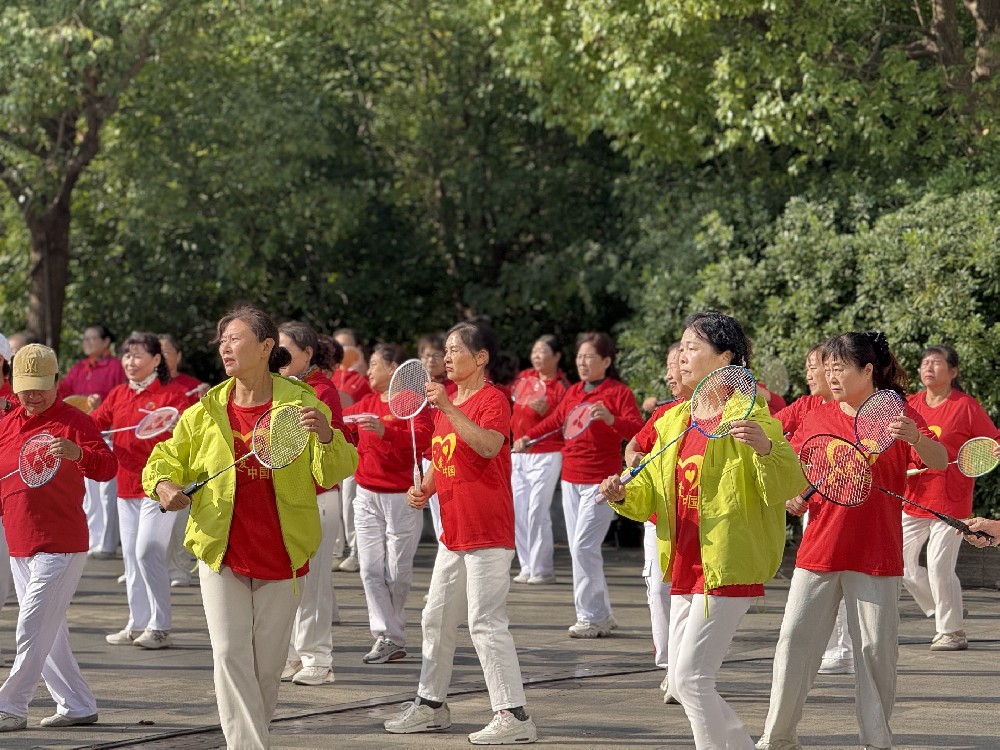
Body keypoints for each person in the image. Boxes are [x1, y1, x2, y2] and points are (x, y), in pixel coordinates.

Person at [143, 306, 358, 750]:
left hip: (283, 552)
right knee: (228, 654)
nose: (225, 347)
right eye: (221, 340)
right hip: (221, 551)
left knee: (266, 668)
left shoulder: (301, 403)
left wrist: (326, 436)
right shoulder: (206, 410)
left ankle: (249, 739)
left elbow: (335, 468)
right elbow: (165, 457)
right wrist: (163, 484)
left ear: (265, 347)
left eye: (235, 338)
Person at [600, 312, 802, 749]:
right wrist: (622, 493)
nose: (682, 357)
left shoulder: (749, 412)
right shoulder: (674, 420)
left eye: (693, 348)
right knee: (684, 680)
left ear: (725, 358)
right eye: (682, 347)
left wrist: (767, 448)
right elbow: (649, 496)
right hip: (685, 566)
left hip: (727, 563)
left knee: (691, 678)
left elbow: (788, 484)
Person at [757, 331, 947, 750]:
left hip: (875, 554)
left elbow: (940, 460)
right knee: (793, 643)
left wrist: (916, 438)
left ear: (868, 370)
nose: (831, 376)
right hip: (819, 550)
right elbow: (796, 469)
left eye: (839, 368)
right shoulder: (817, 416)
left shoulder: (898, 414)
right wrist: (793, 493)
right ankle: (778, 737)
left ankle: (876, 741)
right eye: (827, 368)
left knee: (876, 652)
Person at [384, 321, 537, 745]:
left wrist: (449, 408)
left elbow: (488, 445)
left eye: (455, 350)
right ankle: (432, 705)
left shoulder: (492, 399)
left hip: (487, 531)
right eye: (445, 350)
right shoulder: (446, 404)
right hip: (453, 534)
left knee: (485, 623)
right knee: (435, 617)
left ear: (481, 358)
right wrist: (425, 488)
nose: (446, 357)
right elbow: (442, 456)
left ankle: (514, 715)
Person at [0, 344, 117, 732]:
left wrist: (77, 453)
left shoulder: (75, 421)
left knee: (32, 625)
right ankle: (77, 704)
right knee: (49, 631)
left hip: (61, 541)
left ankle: (11, 705)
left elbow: (107, 468)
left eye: (40, 386)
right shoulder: (7, 425)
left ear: (56, 381)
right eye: (24, 388)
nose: (32, 395)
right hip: (18, 540)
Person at [514, 332, 644, 639]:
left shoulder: (618, 392)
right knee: (581, 549)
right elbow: (556, 422)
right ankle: (601, 614)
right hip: (571, 477)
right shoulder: (573, 391)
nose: (583, 363)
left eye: (590, 357)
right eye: (580, 357)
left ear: (606, 361)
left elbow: (639, 431)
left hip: (602, 482)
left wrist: (612, 419)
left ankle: (590, 617)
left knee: (583, 546)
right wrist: (528, 437)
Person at [89, 333, 190, 650]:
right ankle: (137, 623)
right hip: (126, 486)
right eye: (126, 355)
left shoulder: (174, 395)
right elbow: (92, 425)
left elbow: (188, 438)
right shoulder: (118, 394)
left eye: (137, 355)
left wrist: (176, 429)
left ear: (156, 360)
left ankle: (160, 626)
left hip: (160, 488)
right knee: (132, 558)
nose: (130, 362)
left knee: (148, 552)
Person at [901, 345, 999, 651]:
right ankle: (946, 606)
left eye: (936, 363)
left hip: (951, 500)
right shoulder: (910, 404)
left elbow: (993, 440)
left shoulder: (966, 406)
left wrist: (997, 448)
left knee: (939, 566)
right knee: (899, 563)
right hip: (913, 497)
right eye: (924, 362)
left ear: (953, 371)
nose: (928, 367)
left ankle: (952, 632)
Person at [344, 343, 432, 664]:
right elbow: (341, 426)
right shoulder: (366, 403)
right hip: (366, 495)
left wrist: (385, 431)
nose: (368, 371)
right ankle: (388, 635)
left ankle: (391, 637)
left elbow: (424, 438)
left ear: (393, 368)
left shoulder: (411, 402)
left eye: (374, 364)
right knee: (369, 568)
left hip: (401, 496)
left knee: (397, 571)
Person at [278, 321, 349, 686]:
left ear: (307, 353)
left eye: (285, 350)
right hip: (291, 499)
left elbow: (338, 442)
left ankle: (318, 659)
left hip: (319, 496)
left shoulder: (322, 390)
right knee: (290, 584)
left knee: (314, 585)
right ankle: (292, 656)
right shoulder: (279, 387)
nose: (278, 356)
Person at [777, 342, 855, 675]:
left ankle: (846, 650)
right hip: (817, 507)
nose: (810, 374)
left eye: (815, 366)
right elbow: (775, 439)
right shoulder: (806, 406)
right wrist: (790, 492)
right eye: (807, 367)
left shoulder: (855, 409)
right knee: (818, 579)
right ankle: (827, 648)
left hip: (848, 509)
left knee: (846, 577)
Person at [622, 341, 691, 704]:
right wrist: (636, 461)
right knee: (660, 590)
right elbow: (632, 448)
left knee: (690, 595)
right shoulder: (663, 415)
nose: (670, 374)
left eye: (676, 364)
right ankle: (669, 667)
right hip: (659, 517)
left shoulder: (716, 416)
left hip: (697, 520)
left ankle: (685, 669)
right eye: (668, 366)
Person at [59, 324, 126, 560]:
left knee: (107, 492)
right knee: (89, 492)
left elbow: (121, 398)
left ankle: (107, 543)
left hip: (109, 435)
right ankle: (92, 539)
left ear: (106, 341)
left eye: (92, 338)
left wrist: (102, 405)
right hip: (83, 435)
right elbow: (63, 392)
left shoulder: (116, 366)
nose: (87, 342)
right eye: (85, 338)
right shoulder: (79, 368)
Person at [510, 334, 569, 585]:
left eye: (543, 351)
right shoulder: (525, 378)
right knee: (519, 510)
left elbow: (565, 421)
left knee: (537, 509)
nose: (536, 355)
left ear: (556, 356)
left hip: (547, 452)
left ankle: (543, 569)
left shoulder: (561, 386)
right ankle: (526, 566)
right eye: (534, 351)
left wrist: (548, 411)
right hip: (519, 452)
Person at [158, 333, 206, 588]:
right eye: (156, 353)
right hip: (153, 463)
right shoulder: (146, 388)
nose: (161, 357)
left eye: (166, 352)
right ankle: (150, 568)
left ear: (178, 356)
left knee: (179, 519)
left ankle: (179, 567)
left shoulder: (194, 387)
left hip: (185, 462)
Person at [331, 329, 370, 572]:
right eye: (340, 346)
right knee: (334, 501)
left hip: (356, 447)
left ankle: (356, 552)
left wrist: (363, 369)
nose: (345, 351)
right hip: (332, 444)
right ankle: (335, 551)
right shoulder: (330, 377)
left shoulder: (364, 380)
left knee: (350, 502)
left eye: (349, 346)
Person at [418, 333, 457, 543]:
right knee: (437, 516)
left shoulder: (454, 387)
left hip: (449, 455)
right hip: (427, 457)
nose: (431, 360)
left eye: (436, 355)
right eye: (426, 355)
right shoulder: (416, 388)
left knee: (451, 510)